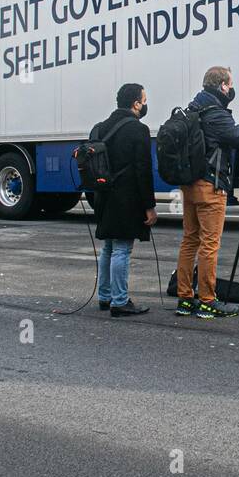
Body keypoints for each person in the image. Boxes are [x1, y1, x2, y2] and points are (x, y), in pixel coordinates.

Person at [174, 66, 239, 319]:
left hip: (190, 185)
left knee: (190, 241)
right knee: (209, 245)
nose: (231, 89)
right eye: (230, 84)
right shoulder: (215, 113)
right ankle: (208, 301)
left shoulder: (193, 108)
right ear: (222, 86)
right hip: (210, 187)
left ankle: (185, 298)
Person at [89, 83, 157, 316]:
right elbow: (143, 170)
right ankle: (120, 301)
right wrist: (149, 206)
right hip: (126, 198)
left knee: (108, 246)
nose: (145, 104)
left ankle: (104, 296)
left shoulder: (99, 128)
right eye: (144, 100)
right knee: (121, 249)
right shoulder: (138, 129)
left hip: (103, 196)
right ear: (136, 103)